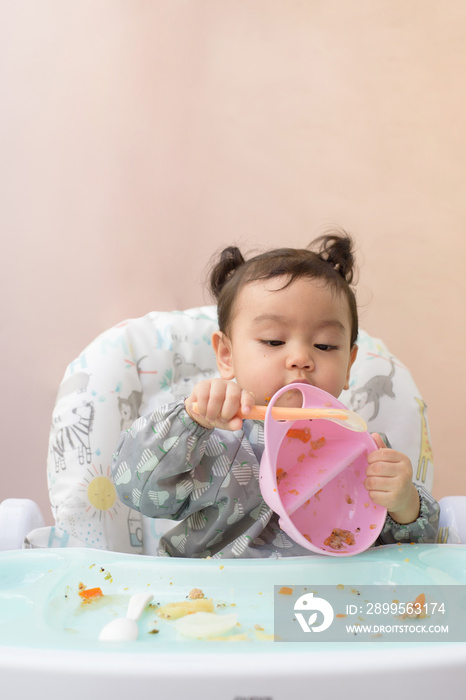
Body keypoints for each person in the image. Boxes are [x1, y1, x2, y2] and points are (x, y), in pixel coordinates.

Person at [111, 233, 439, 557]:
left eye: (325, 345)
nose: (300, 358)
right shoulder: (215, 442)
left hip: (321, 602)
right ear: (226, 355)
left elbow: (415, 550)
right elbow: (135, 489)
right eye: (273, 341)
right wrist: (190, 420)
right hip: (211, 599)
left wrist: (404, 503)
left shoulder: (360, 453)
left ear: (349, 365)